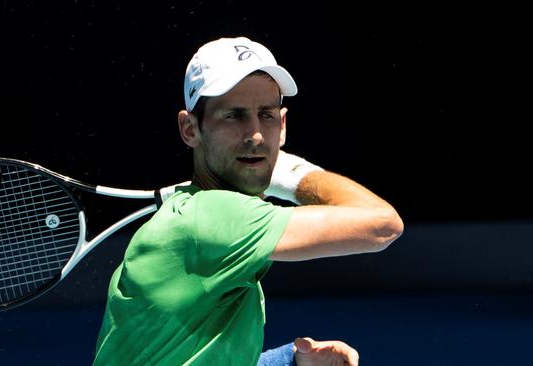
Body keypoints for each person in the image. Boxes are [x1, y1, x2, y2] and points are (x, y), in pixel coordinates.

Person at [93, 36, 403, 365]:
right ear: (189, 128)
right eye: (234, 115)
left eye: (266, 115)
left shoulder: (199, 219)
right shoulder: (213, 216)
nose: (255, 134)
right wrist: (291, 174)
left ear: (282, 126)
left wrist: (288, 361)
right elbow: (382, 224)